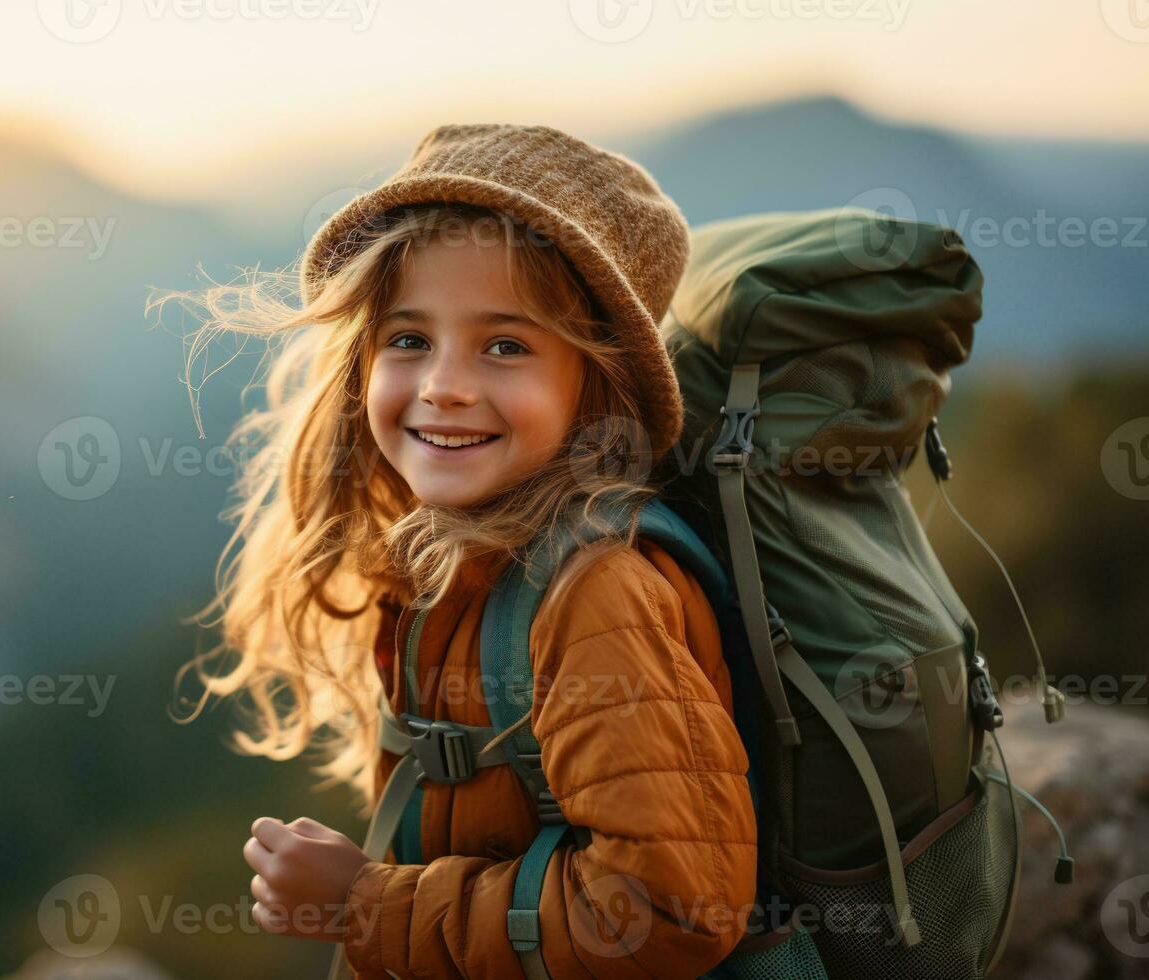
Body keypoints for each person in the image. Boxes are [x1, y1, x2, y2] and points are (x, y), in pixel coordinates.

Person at [164, 123, 758, 978]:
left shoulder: (597, 595)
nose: (443, 383)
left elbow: (671, 908)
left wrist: (363, 903)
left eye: (506, 346)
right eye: (409, 338)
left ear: (595, 388)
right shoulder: (444, 571)